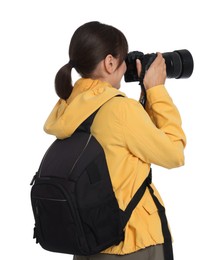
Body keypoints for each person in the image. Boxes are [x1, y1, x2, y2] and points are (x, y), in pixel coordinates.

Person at [44, 21, 186, 260]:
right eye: (123, 60)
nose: (125, 67)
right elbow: (174, 154)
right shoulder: (120, 110)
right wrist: (156, 91)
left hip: (89, 243)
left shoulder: (68, 107)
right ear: (109, 62)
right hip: (132, 243)